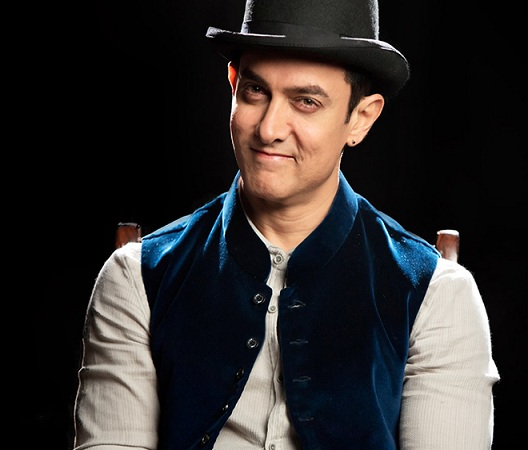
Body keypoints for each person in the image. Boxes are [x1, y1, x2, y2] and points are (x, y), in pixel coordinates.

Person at [72, 0, 500, 448]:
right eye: (256, 91)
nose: (269, 129)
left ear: (361, 118)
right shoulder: (135, 277)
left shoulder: (438, 294)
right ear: (233, 85)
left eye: (306, 101)